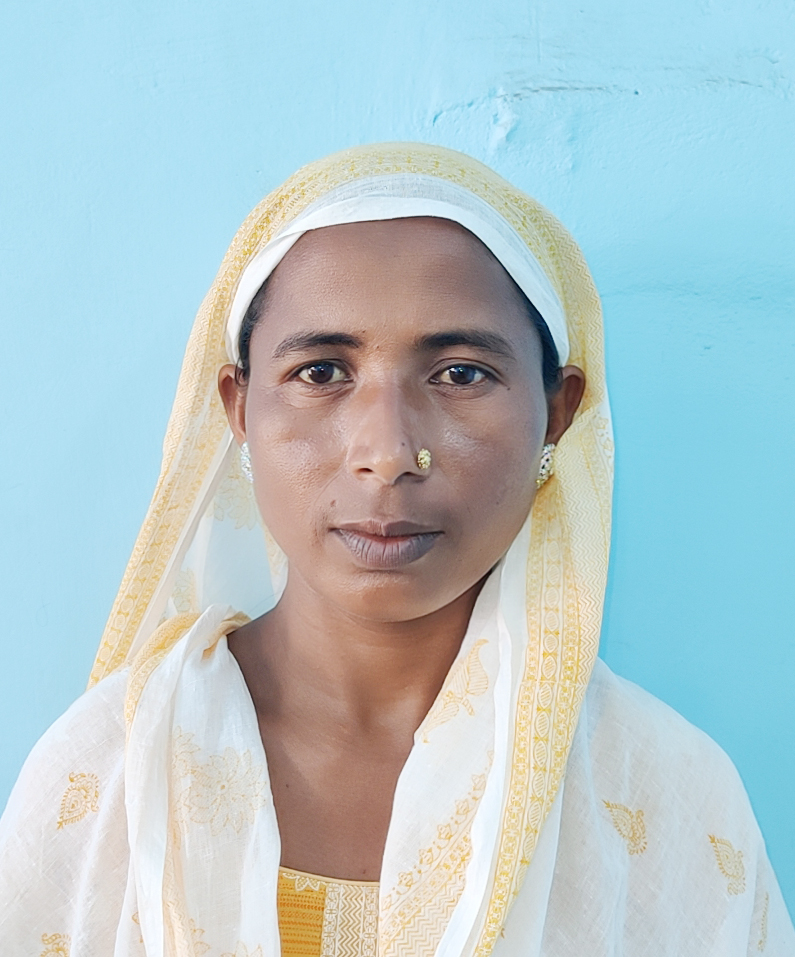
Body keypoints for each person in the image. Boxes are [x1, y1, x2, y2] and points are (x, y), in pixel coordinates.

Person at [0, 143, 791, 957]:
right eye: (321, 372)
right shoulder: (110, 776)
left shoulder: (663, 796)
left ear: (556, 413)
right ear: (238, 408)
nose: (385, 452)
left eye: (459, 374)